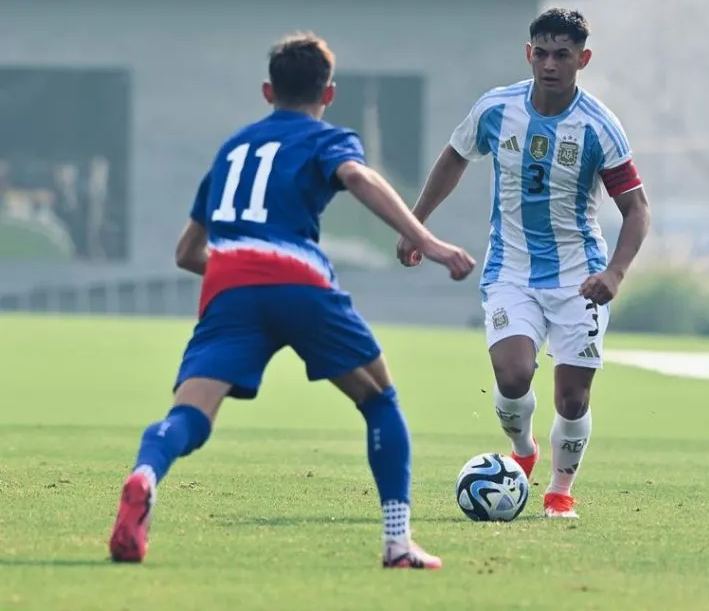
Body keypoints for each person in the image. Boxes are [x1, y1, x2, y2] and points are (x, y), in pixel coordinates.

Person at [108, 32, 475, 569]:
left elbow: (186, 253)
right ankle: (398, 544)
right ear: (328, 94)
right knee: (379, 400)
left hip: (229, 286)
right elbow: (355, 175)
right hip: (298, 280)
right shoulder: (327, 138)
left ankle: (144, 474)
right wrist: (427, 240)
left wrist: (242, 273)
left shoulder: (232, 151)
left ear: (267, 91)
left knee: (189, 415)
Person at [397, 8, 651, 519]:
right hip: (510, 270)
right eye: (542, 53)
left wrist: (615, 273)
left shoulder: (599, 126)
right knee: (513, 376)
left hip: (579, 277)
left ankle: (559, 492)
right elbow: (455, 156)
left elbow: (637, 209)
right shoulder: (497, 109)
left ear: (583, 59)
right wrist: (415, 224)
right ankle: (523, 449)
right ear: (528, 53)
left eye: (563, 55)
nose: (550, 64)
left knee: (573, 398)